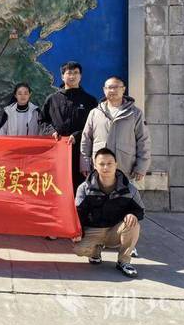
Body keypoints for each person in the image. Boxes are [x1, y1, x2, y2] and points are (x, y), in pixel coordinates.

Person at [72, 148, 145, 277]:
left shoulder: (129, 188)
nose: (106, 167)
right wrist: (78, 232)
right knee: (78, 249)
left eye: (109, 163)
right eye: (101, 164)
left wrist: (132, 214)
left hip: (115, 231)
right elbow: (78, 213)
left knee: (134, 224)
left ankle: (124, 261)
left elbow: (140, 210)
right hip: (93, 230)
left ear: (116, 164)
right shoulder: (85, 188)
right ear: (95, 165)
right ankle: (95, 251)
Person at [38, 61, 98, 193]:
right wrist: (51, 132)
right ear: (62, 76)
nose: (72, 76)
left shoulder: (90, 100)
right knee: (57, 186)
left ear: (80, 76)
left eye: (76, 73)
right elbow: (42, 121)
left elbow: (95, 125)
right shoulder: (52, 99)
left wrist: (77, 135)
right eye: (69, 73)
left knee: (79, 188)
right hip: (57, 151)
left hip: (81, 152)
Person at [80, 76, 151, 182]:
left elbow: (143, 140)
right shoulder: (95, 113)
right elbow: (86, 139)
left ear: (123, 89)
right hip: (99, 169)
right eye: (109, 87)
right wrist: (85, 164)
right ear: (104, 90)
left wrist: (141, 167)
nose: (112, 90)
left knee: (124, 193)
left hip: (125, 168)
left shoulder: (135, 113)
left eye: (116, 87)